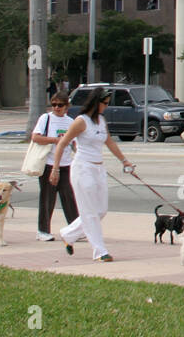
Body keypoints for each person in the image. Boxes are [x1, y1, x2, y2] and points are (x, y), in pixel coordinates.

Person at [50, 87, 134, 262]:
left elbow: (109, 142)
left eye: (108, 104)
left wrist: (124, 160)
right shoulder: (81, 121)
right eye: (104, 103)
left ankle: (68, 234)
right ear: (96, 103)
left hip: (98, 169)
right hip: (82, 168)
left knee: (100, 211)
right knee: (89, 212)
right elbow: (62, 144)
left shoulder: (101, 120)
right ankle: (100, 251)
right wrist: (55, 168)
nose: (106, 107)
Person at [32, 95, 78, 242]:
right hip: (49, 164)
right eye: (54, 104)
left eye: (60, 105)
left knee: (68, 197)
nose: (57, 108)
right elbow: (35, 137)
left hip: (66, 164)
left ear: (66, 106)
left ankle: (74, 229)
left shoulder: (70, 121)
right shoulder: (46, 118)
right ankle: (43, 230)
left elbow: (75, 143)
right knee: (47, 197)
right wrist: (56, 140)